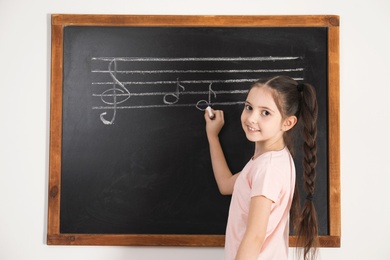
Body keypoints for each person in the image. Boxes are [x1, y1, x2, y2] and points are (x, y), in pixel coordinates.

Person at [204, 75, 319, 260]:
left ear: (287, 122)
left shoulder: (268, 169)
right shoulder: (271, 160)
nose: (251, 118)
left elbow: (255, 237)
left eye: (265, 112)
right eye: (249, 107)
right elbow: (226, 185)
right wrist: (213, 136)